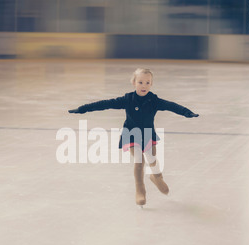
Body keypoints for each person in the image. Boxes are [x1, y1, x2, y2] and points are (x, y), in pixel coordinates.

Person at [68, 68, 199, 207]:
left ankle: (157, 177)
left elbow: (171, 106)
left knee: (152, 158)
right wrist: (83, 108)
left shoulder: (154, 100)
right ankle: (140, 189)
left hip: (147, 134)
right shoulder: (127, 99)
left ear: (151, 84)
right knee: (139, 160)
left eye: (147, 82)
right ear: (134, 83)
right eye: (140, 82)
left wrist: (187, 112)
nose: (144, 85)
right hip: (131, 134)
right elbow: (105, 104)